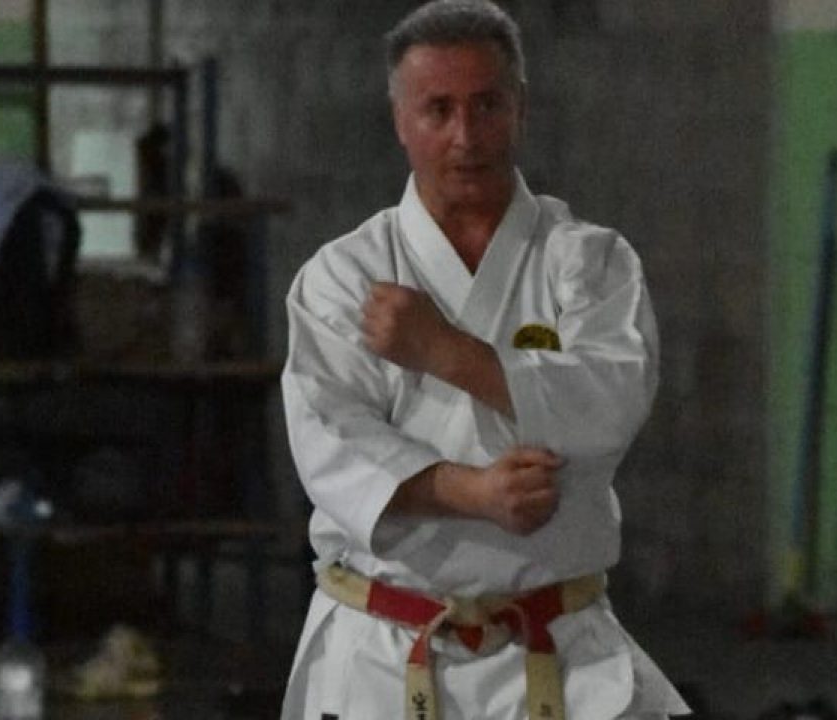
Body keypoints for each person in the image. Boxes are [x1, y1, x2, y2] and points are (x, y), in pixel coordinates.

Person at [279, 1, 690, 718]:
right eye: (438, 110)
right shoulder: (345, 275)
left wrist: (445, 352)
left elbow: (613, 398)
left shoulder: (587, 261)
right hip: (383, 654)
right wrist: (472, 492)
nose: (465, 136)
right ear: (400, 119)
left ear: (520, 108)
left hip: (556, 647)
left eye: (487, 105)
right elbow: (330, 441)